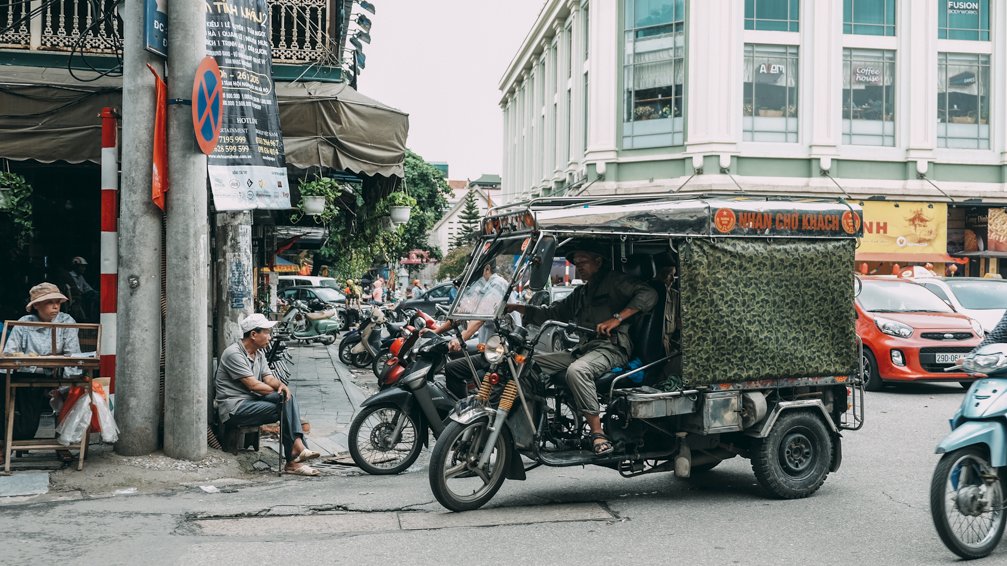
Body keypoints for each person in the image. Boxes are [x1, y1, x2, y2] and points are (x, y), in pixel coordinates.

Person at [507, 246, 657, 456]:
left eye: (583, 262)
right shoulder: (582, 292)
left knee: (577, 371)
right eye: (575, 264)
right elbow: (553, 312)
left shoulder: (615, 281)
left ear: (598, 261)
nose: (578, 268)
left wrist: (617, 318)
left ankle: (598, 434)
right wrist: (516, 308)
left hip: (611, 347)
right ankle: (537, 425)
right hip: (585, 348)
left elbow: (649, 294)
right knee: (525, 363)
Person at [214, 313, 320, 476]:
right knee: (285, 405)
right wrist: (280, 392)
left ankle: (296, 451)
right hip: (234, 408)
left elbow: (268, 378)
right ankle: (294, 456)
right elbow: (253, 385)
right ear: (254, 334)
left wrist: (281, 386)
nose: (269, 337)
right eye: (266, 332)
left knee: (287, 399)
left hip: (252, 401)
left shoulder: (259, 353)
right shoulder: (233, 353)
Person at [1, 282, 81, 464]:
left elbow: (72, 354)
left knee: (72, 395)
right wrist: (35, 365)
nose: (55, 307)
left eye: (58, 302)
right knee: (25, 422)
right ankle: (10, 441)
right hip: (30, 375)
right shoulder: (23, 324)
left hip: (60, 374)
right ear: (36, 305)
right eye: (49, 302)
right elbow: (10, 355)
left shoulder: (66, 321)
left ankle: (63, 443)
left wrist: (67, 379)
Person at [435, 262, 511, 398]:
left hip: (500, 353)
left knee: (452, 369)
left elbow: (479, 319)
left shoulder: (497, 284)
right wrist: (434, 332)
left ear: (487, 268)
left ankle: (464, 412)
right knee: (453, 366)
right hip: (490, 351)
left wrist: (460, 339)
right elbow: (459, 315)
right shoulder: (483, 287)